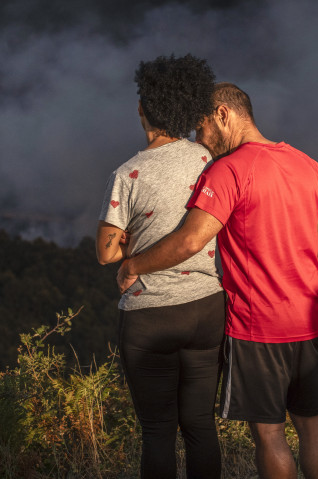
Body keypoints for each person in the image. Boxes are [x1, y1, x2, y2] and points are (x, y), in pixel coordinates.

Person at [118, 82, 318, 479]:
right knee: (312, 424)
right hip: (307, 321)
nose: (200, 140)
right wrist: (316, 299)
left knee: (270, 434)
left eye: (201, 127)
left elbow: (189, 241)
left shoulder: (229, 170)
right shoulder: (309, 164)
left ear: (222, 114)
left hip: (257, 328)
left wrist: (134, 266)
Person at [96, 54, 224, 479]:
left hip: (150, 314)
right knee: (201, 424)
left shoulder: (128, 174)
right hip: (207, 308)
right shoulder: (209, 160)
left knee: (157, 431)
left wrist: (131, 246)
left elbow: (106, 252)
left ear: (141, 110)